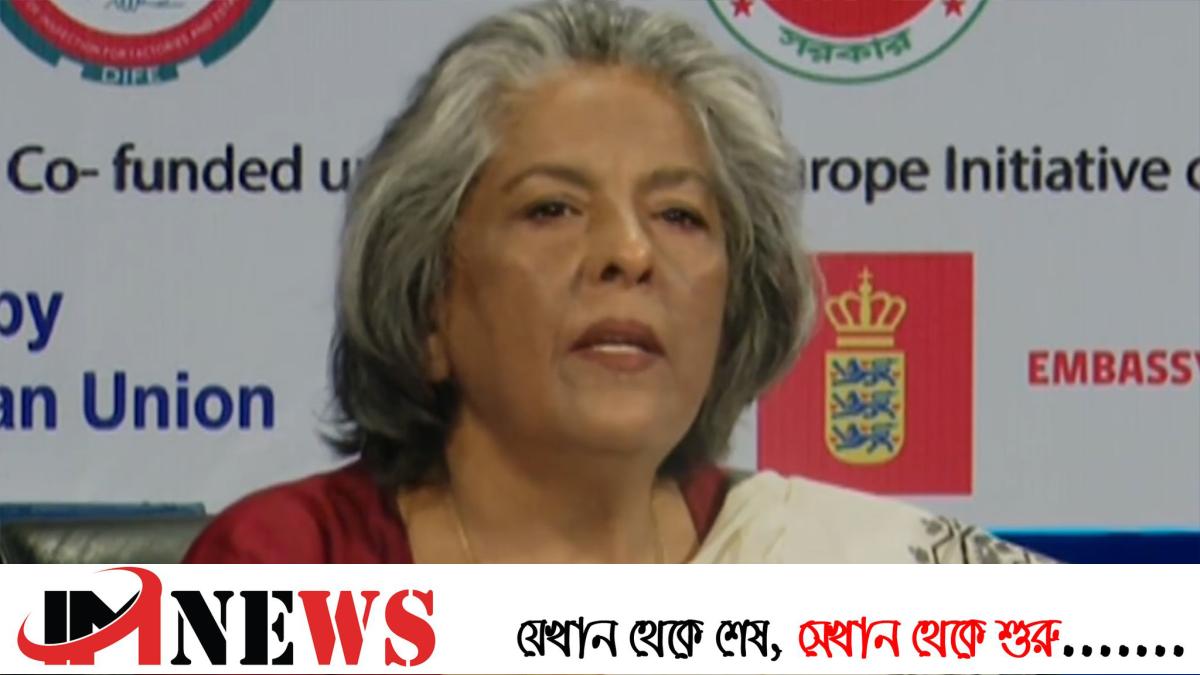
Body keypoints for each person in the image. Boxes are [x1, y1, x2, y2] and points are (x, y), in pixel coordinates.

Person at [185, 0, 1047, 565]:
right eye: (553, 209)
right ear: (428, 307)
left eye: (679, 215)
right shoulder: (284, 563)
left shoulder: (832, 569)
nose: (631, 253)